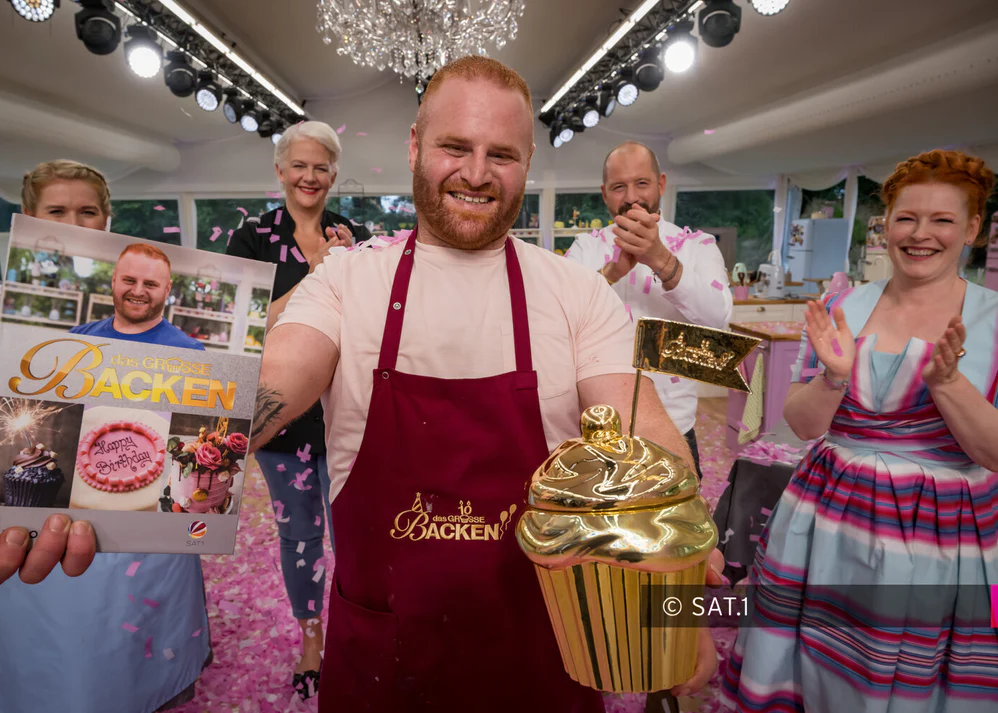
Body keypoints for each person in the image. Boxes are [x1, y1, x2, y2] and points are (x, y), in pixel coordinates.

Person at [251, 55, 722, 712]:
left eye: (501, 153)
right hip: (385, 662)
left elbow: (643, 430)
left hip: (541, 659)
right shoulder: (346, 280)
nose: (475, 173)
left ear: (528, 160)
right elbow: (270, 383)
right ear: (416, 146)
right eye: (454, 146)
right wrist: (116, 471)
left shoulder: (573, 291)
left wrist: (678, 577)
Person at [722, 149, 998, 712]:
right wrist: (833, 376)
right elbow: (801, 425)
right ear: (887, 223)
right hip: (826, 518)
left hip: (941, 536)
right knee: (811, 665)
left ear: (972, 227)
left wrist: (948, 385)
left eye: (942, 220)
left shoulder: (993, 319)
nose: (921, 234)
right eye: (906, 217)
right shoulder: (844, 306)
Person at [0, 159, 211, 713]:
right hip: (47, 488)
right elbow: (5, 411)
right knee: (64, 656)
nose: (75, 222)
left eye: (87, 211)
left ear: (107, 220)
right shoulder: (2, 301)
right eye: (57, 210)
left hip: (137, 482)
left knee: (137, 634)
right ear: (28, 218)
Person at [226, 120, 371, 697]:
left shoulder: (354, 234)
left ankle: (355, 635)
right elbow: (243, 329)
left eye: (322, 167)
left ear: (334, 175)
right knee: (301, 536)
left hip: (344, 416)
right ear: (281, 171)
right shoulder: (252, 240)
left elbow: (372, 323)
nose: (310, 177)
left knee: (352, 535)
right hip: (280, 421)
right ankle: (312, 640)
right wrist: (317, 274)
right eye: (300, 165)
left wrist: (351, 269)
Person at [564, 141, 731, 476]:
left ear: (661, 185)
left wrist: (661, 260)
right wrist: (612, 272)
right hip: (597, 428)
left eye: (641, 183)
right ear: (604, 193)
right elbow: (561, 319)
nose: (631, 197)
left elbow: (720, 321)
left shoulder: (698, 247)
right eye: (618, 187)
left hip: (671, 427)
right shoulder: (586, 248)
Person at [70, 242, 203, 349]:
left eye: (150, 284)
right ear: (114, 281)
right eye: (129, 280)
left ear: (167, 289)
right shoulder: (76, 339)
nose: (137, 292)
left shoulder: (189, 352)